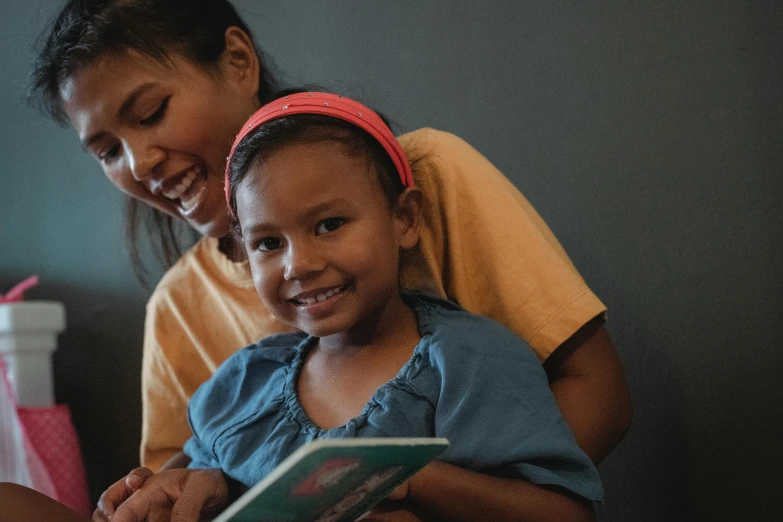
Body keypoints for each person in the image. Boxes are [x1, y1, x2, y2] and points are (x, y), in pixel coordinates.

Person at [16, 0, 630, 518]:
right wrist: (180, 486)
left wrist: (423, 496)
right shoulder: (178, 308)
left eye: (151, 114)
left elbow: (594, 393)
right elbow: (196, 463)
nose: (139, 161)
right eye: (106, 150)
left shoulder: (427, 179)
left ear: (237, 62)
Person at [106, 91, 604, 521]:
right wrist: (165, 488)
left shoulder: (469, 362)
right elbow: (193, 472)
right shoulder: (245, 384)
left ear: (405, 219)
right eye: (268, 244)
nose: (298, 265)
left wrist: (409, 477)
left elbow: (563, 511)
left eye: (329, 225)